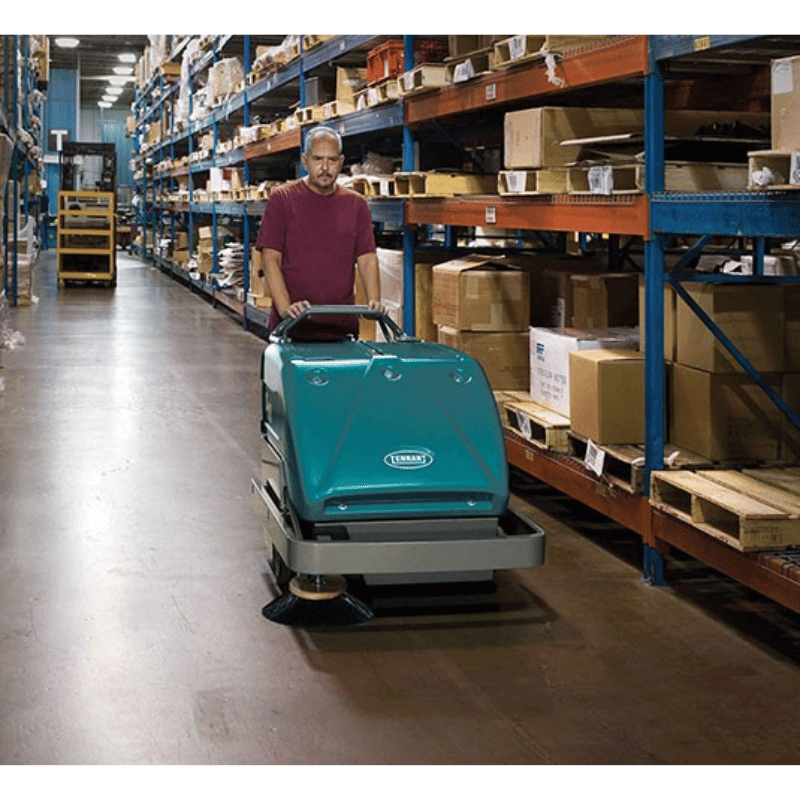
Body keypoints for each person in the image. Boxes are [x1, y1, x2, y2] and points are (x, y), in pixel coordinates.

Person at [255, 125, 385, 340]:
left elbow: (367, 258)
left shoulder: (357, 205)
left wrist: (374, 301)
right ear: (305, 161)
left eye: (332, 160)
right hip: (291, 328)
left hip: (341, 327)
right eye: (318, 159)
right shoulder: (282, 200)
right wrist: (286, 308)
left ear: (341, 162)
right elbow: (270, 259)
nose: (325, 167)